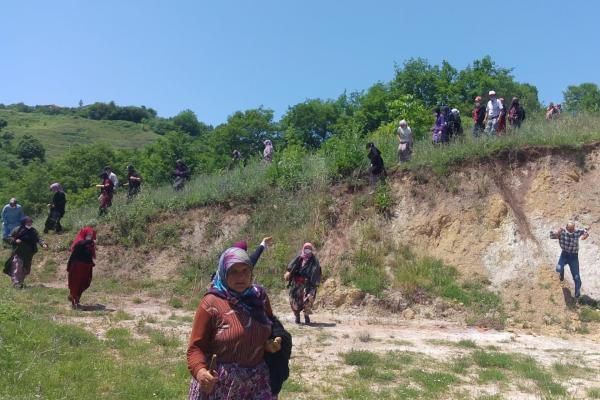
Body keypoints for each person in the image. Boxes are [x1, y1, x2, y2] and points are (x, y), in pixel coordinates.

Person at [187, 247, 285, 399]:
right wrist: (200, 372)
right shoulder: (211, 302)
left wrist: (270, 342)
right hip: (220, 387)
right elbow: (195, 347)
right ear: (223, 272)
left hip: (257, 384)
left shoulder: (259, 297)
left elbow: (271, 324)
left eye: (245, 270)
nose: (241, 277)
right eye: (234, 271)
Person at [3, 216, 48, 288]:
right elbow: (9, 237)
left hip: (29, 252)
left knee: (25, 268)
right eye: (28, 222)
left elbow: (38, 238)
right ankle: (16, 283)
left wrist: (43, 244)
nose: (30, 224)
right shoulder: (17, 229)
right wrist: (15, 240)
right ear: (23, 222)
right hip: (19, 251)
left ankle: (20, 282)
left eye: (31, 222)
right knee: (17, 266)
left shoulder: (33, 231)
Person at [284, 243, 322, 325]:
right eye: (306, 249)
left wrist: (313, 284)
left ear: (311, 250)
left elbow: (316, 273)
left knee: (309, 298)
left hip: (309, 283)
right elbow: (291, 268)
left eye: (309, 249)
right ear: (303, 249)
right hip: (297, 283)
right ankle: (297, 315)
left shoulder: (314, 261)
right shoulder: (299, 259)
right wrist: (288, 273)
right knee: (294, 299)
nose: (307, 251)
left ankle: (306, 315)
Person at [550, 222, 589, 298]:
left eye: (573, 229)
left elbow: (584, 231)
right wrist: (558, 232)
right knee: (558, 269)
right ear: (566, 228)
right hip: (564, 255)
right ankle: (561, 274)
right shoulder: (562, 232)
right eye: (570, 229)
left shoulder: (577, 232)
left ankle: (577, 294)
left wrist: (585, 235)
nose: (571, 231)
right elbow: (551, 235)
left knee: (577, 277)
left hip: (574, 257)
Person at [67, 227, 97, 309]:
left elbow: (90, 255)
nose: (90, 236)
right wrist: (89, 241)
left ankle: (76, 299)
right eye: (88, 234)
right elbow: (78, 246)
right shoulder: (79, 242)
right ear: (84, 234)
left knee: (83, 283)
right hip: (77, 266)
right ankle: (74, 302)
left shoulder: (91, 244)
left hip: (86, 267)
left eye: (91, 235)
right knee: (75, 284)